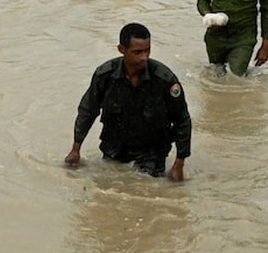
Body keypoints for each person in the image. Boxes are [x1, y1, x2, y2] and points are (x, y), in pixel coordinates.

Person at [64, 22, 192, 181]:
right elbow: (88, 110)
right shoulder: (105, 75)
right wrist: (76, 149)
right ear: (122, 49)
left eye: (147, 51)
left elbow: (182, 120)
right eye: (137, 52)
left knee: (148, 192)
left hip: (151, 152)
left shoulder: (164, 79)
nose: (144, 57)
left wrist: (179, 163)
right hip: (114, 148)